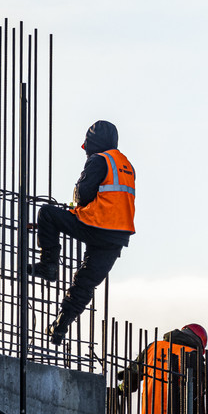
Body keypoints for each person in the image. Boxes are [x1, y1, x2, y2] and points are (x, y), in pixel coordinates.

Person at [28, 120, 135, 345]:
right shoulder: (126, 165)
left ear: (93, 142)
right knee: (85, 282)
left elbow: (83, 194)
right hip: (117, 236)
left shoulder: (99, 160)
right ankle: (60, 326)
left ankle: (48, 264)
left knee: (47, 213)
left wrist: (75, 202)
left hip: (95, 226)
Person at [116, 324, 207, 414]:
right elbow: (198, 391)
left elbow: (133, 375)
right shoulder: (193, 355)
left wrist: (122, 388)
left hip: (149, 412)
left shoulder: (154, 347)